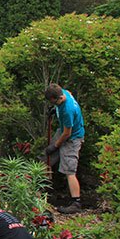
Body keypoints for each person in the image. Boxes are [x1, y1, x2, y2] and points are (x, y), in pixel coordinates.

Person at [44, 83, 85, 214]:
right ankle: (42, 188)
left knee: (69, 170)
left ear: (59, 99)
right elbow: (69, 92)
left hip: (72, 138)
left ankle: (76, 203)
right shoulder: (64, 93)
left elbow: (67, 133)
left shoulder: (67, 111)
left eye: (55, 103)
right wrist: (54, 109)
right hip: (63, 131)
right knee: (45, 157)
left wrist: (55, 146)